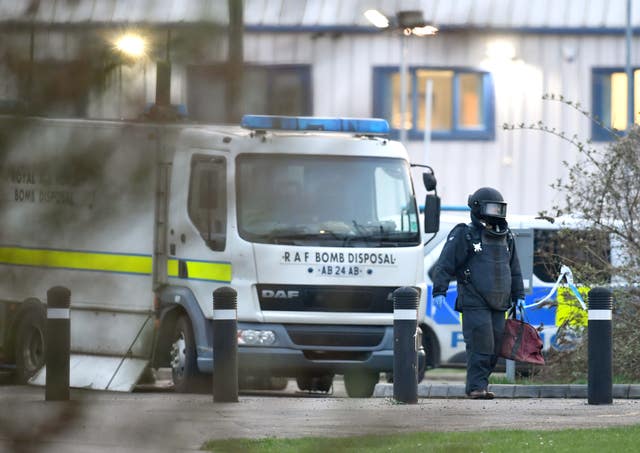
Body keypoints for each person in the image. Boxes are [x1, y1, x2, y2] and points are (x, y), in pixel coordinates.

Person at [430, 187, 525, 399]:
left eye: (498, 209)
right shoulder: (465, 234)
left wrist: (519, 296)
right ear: (477, 208)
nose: (494, 213)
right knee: (480, 343)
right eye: (490, 208)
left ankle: (481, 384)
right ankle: (476, 388)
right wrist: (440, 290)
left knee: (495, 347)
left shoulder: (506, 237)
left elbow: (515, 269)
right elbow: (445, 264)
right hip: (474, 301)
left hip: (500, 301)